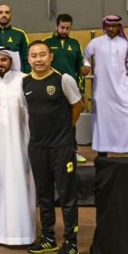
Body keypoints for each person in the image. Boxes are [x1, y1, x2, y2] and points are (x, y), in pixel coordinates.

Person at [24, 40, 83, 254]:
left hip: (61, 147)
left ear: (51, 57)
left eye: (42, 54)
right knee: (44, 195)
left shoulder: (63, 79)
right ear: (28, 59)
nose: (38, 59)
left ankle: (71, 242)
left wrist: (65, 131)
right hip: (37, 147)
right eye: (33, 55)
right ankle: (48, 238)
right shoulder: (25, 82)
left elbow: (77, 106)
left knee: (67, 196)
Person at [0, 48, 36, 246]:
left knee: (19, 185)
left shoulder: (24, 80)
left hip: (20, 143)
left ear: (12, 61)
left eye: (3, 60)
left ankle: (22, 233)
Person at [83, 15, 128, 156]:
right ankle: (102, 155)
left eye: (114, 26)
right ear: (104, 26)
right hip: (103, 91)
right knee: (103, 122)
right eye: (108, 26)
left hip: (122, 90)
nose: (111, 28)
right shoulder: (96, 42)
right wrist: (86, 65)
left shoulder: (126, 44)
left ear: (119, 27)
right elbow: (84, 56)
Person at [43, 13, 89, 163]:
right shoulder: (47, 43)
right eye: (62, 27)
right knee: (49, 119)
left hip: (70, 87)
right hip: (50, 86)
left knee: (70, 119)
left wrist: (81, 90)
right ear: (56, 26)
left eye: (68, 28)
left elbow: (80, 68)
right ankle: (50, 151)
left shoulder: (75, 44)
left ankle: (72, 150)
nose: (64, 31)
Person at [0, 4, 30, 73]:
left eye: (7, 12)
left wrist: (27, 75)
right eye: (0, 12)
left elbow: (26, 58)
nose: (4, 15)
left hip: (17, 75)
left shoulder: (20, 34)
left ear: (11, 16)